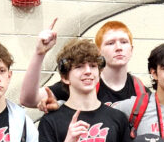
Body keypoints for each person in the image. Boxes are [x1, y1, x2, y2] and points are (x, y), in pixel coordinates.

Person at [19, 20, 147, 111]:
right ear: (98, 51)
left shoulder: (141, 92)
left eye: (124, 42)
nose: (118, 48)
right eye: (110, 43)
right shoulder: (84, 82)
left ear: (131, 49)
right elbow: (28, 99)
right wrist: (39, 53)